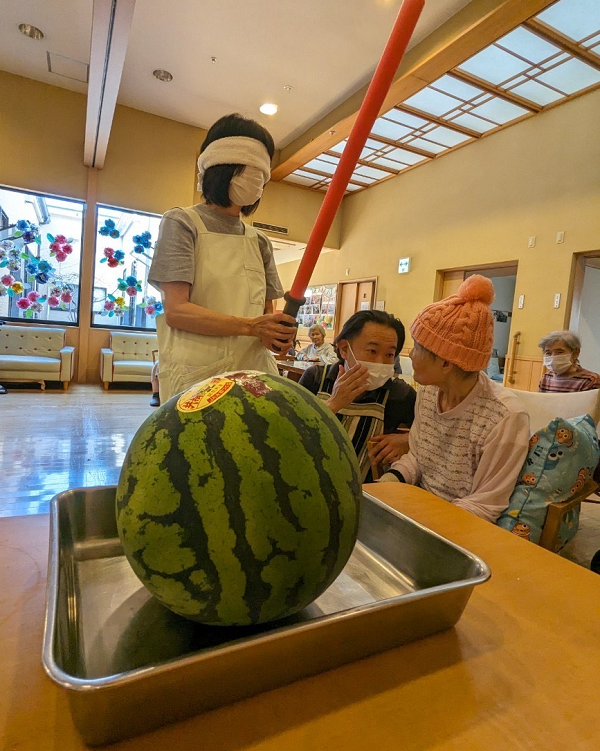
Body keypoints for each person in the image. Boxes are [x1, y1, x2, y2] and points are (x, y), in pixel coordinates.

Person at [149, 114, 295, 402]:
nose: (256, 179)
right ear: (220, 168)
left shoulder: (259, 241)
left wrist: (277, 335)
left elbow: (267, 314)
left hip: (253, 374)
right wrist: (251, 327)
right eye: (246, 169)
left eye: (261, 173)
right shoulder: (182, 223)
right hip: (196, 377)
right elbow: (177, 311)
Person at [379, 276, 530, 524]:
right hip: (421, 510)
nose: (410, 354)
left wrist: (425, 523)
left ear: (446, 362)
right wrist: (390, 482)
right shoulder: (428, 392)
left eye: (417, 347)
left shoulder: (504, 416)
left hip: (463, 526)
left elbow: (483, 505)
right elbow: (417, 457)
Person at [299, 310, 416, 481]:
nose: (380, 362)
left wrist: (408, 439)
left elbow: (434, 435)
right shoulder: (316, 379)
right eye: (372, 351)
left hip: (363, 494)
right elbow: (289, 432)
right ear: (344, 349)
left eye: (389, 355)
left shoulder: (399, 394)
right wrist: (333, 403)